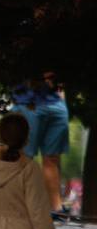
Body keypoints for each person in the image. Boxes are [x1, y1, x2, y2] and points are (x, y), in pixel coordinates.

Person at [11, 75, 70, 216]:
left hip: (56, 104)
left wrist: (62, 101)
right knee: (23, 158)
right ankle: (19, 208)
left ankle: (56, 209)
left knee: (52, 158)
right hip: (27, 103)